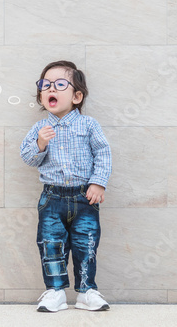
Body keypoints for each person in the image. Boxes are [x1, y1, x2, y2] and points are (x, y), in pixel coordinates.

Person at [20, 60, 112, 312]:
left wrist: (98, 183)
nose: (51, 89)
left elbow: (103, 154)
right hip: (52, 198)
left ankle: (87, 291)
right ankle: (55, 291)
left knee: (87, 244)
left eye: (60, 84)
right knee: (51, 244)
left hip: (86, 197)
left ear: (76, 95)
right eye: (45, 85)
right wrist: (40, 144)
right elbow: (27, 157)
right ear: (41, 95)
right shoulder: (40, 128)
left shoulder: (88, 125)